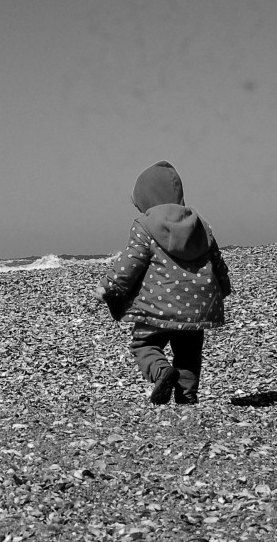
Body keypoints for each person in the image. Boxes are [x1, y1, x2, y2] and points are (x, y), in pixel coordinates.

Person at [95, 161, 231, 404]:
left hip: (156, 306)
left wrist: (110, 286)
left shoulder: (144, 224)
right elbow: (215, 258)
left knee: (143, 344)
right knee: (188, 354)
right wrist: (223, 287)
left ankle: (161, 372)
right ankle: (187, 397)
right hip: (196, 307)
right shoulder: (200, 224)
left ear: (146, 198)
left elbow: (132, 261)